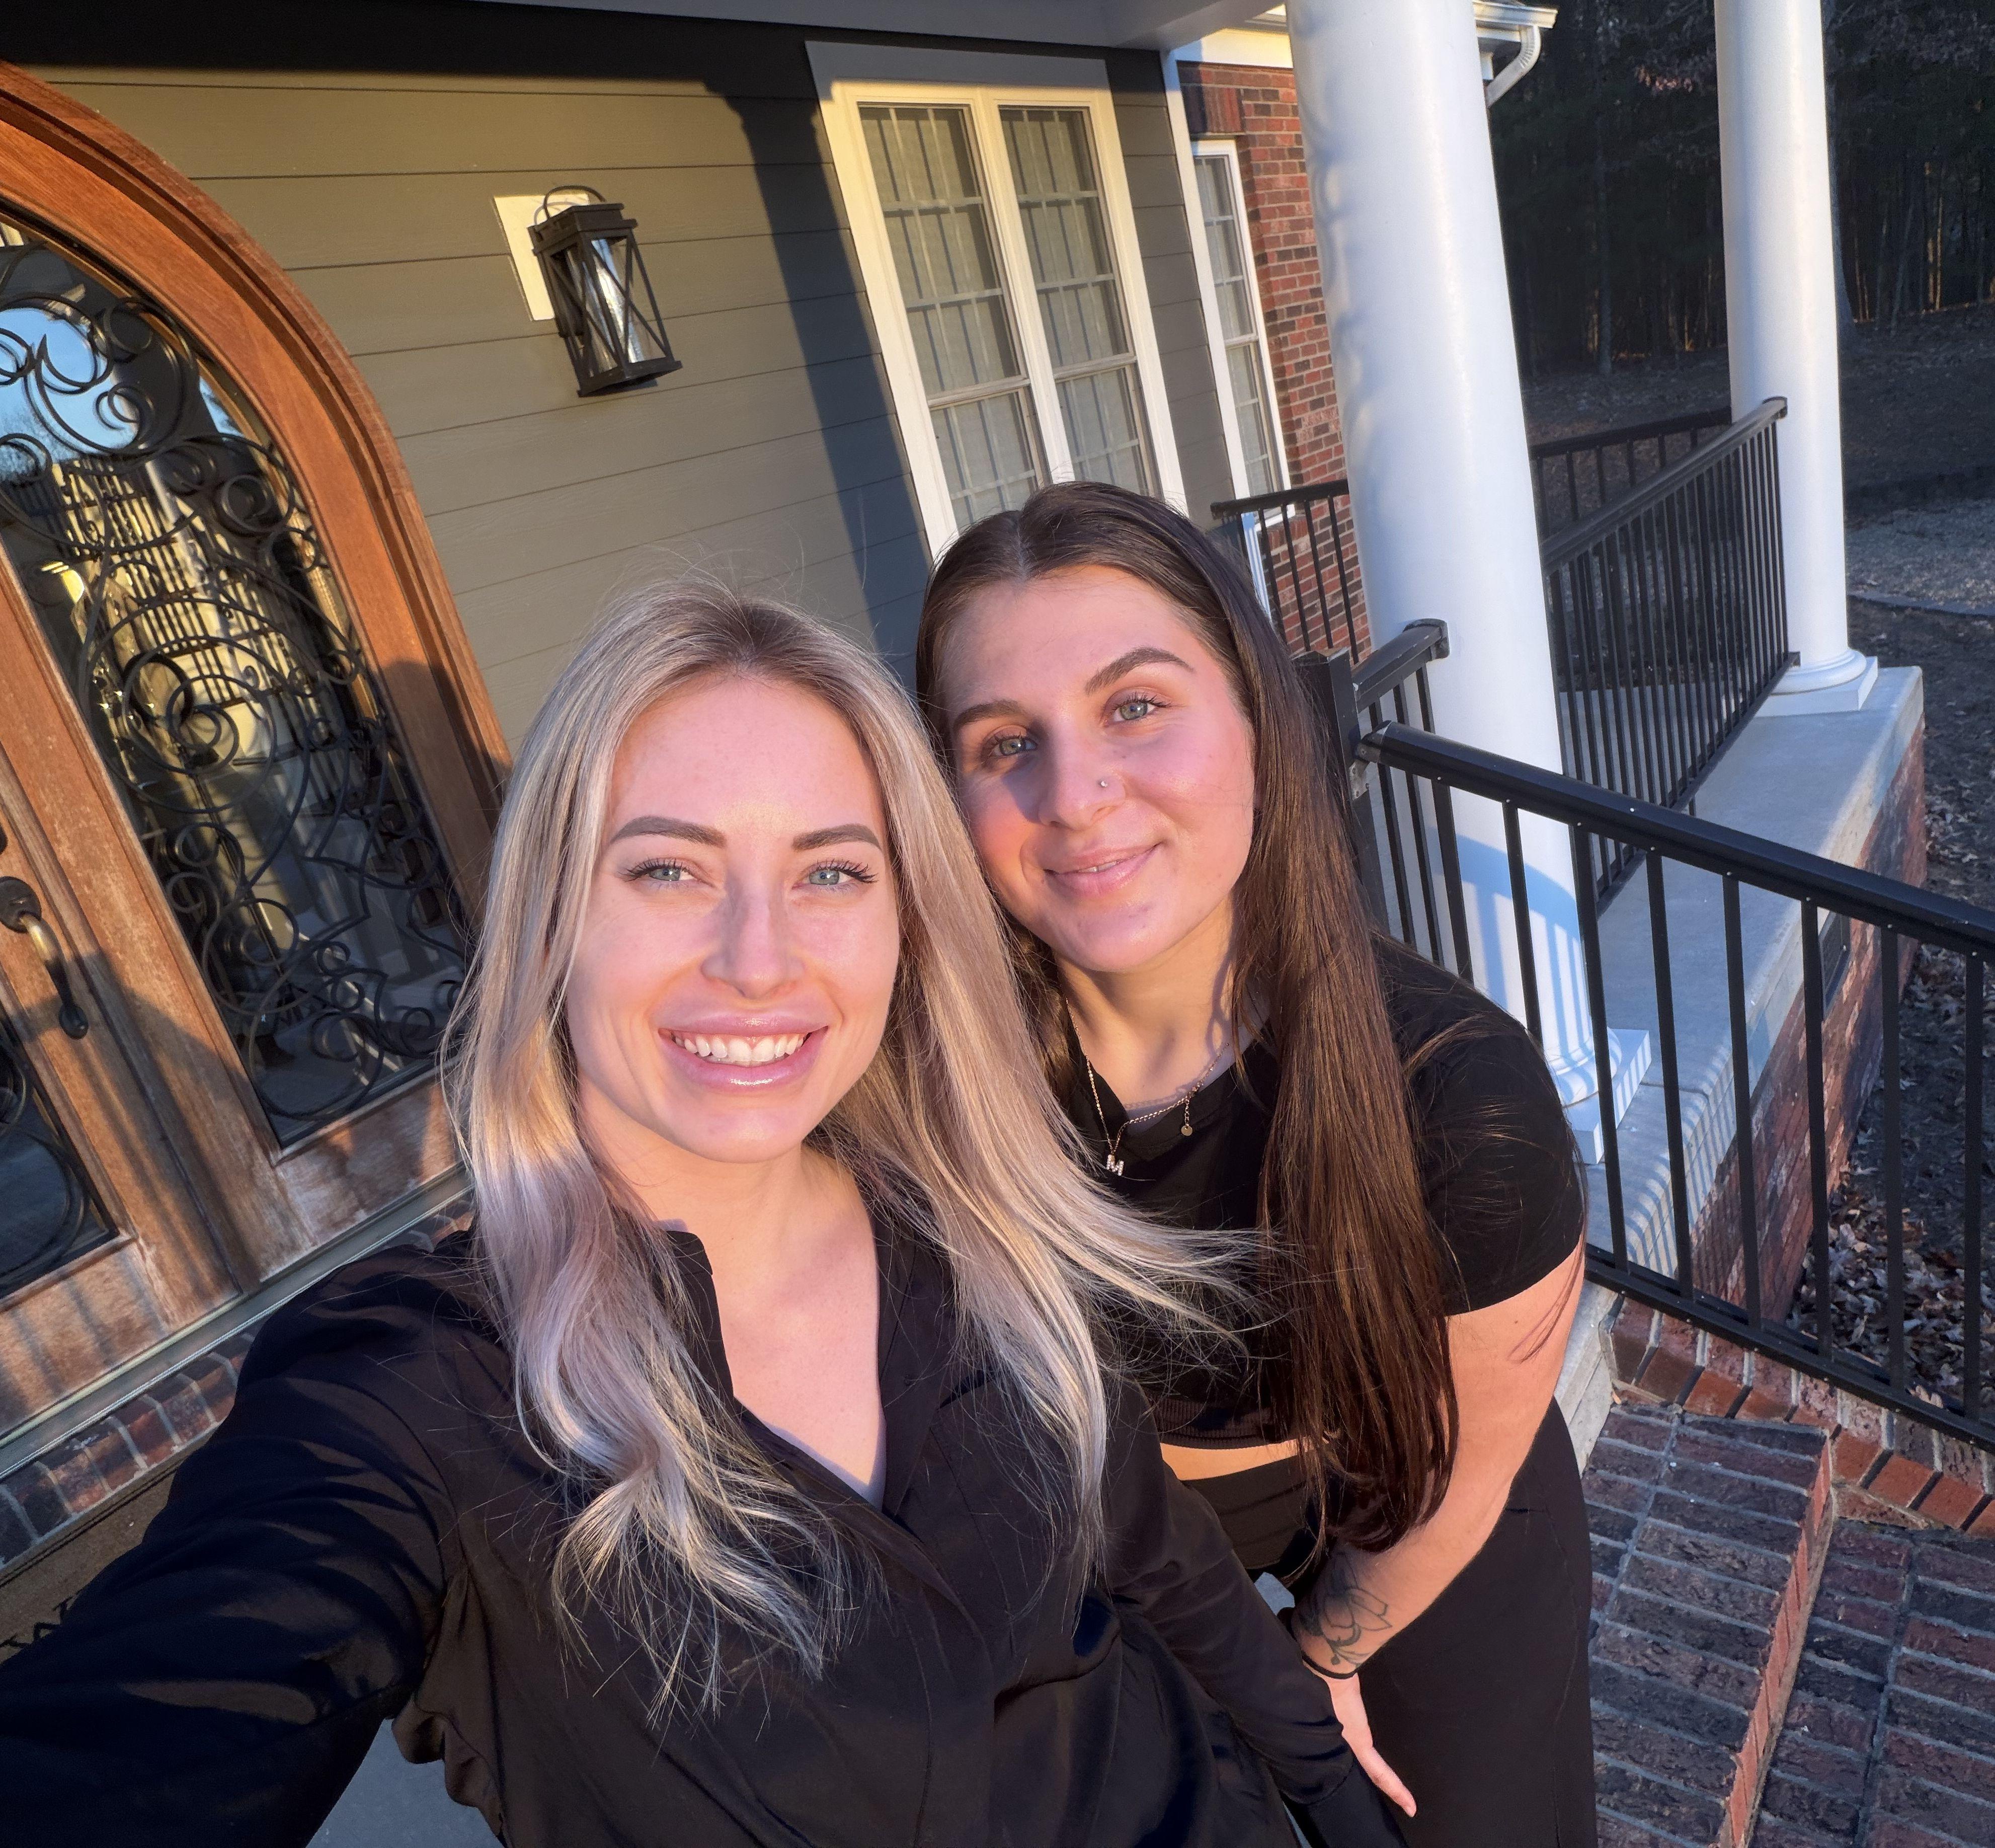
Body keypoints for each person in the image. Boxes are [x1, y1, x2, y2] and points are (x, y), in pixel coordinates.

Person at [0, 587, 1406, 1848]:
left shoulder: (975, 1232)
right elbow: (164, 1715)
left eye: (832, 872)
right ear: (554, 916)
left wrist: (1340, 1807)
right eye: (667, 869)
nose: (758, 959)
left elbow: (1164, 1563)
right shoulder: (417, 1393)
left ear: (906, 926)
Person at [916, 483, 1595, 1848]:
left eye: (1134, 706)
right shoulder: (930, 1096)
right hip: (1122, 1556)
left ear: (1256, 720)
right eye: (1005, 743)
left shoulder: (1456, 1097)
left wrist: (1324, 1655)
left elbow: (1469, 1463)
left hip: (1413, 1510)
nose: (1075, 796)